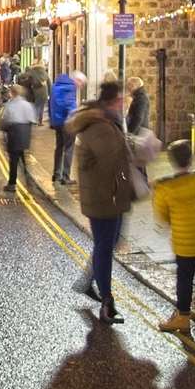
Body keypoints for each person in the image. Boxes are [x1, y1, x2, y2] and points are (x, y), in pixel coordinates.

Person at [65, 81, 133, 323]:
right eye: (122, 99)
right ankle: (107, 302)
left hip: (107, 195)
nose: (125, 103)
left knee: (108, 243)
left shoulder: (104, 122)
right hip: (105, 196)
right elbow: (112, 161)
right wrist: (137, 152)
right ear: (112, 101)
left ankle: (88, 281)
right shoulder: (100, 127)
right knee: (105, 247)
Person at [151, 140, 195, 332]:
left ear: (172, 161)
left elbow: (162, 216)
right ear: (191, 158)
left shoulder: (166, 188)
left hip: (184, 242)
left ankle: (183, 317)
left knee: (184, 279)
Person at [0, 83, 37, 193]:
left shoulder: (10, 105)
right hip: (25, 135)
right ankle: (30, 183)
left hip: (14, 135)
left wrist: (3, 128)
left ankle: (12, 184)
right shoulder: (28, 105)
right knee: (26, 162)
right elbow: (32, 120)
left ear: (12, 93)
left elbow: (5, 121)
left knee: (14, 162)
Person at [49, 70, 82, 184]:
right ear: (76, 80)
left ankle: (56, 174)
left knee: (59, 147)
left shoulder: (56, 85)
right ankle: (65, 177)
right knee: (69, 149)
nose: (80, 86)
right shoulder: (70, 88)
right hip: (67, 123)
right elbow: (70, 106)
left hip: (57, 122)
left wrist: (52, 121)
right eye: (81, 83)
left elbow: (50, 104)